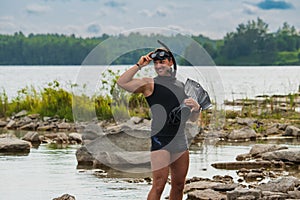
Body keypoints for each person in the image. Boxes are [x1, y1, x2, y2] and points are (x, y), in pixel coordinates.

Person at [117, 47, 201, 200]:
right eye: (155, 63)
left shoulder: (182, 86)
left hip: (180, 139)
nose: (158, 66)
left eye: (162, 62)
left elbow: (193, 119)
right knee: (159, 185)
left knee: (179, 185)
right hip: (160, 139)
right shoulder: (149, 84)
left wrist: (196, 108)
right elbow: (122, 82)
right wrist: (139, 65)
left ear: (170, 62)